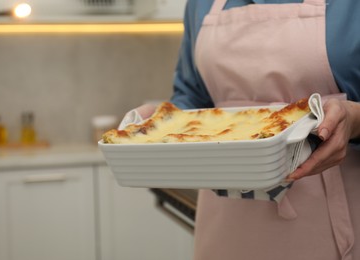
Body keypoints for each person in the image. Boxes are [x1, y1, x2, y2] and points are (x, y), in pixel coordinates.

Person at [133, 0, 360, 259]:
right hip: (226, 219)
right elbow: (194, 99)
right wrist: (163, 119)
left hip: (332, 216)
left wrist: (354, 119)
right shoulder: (201, 4)